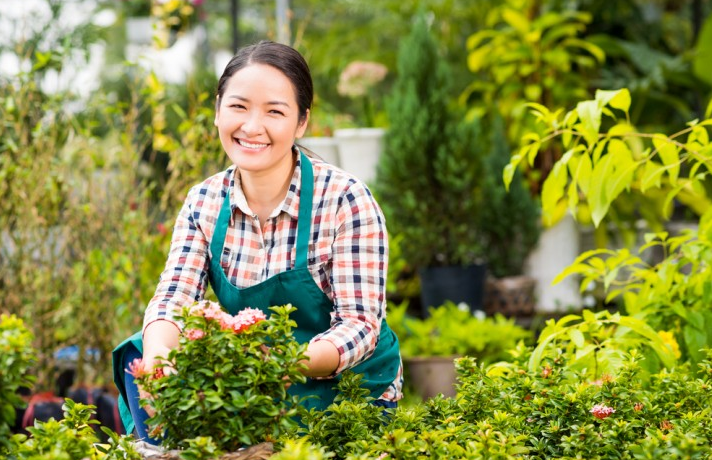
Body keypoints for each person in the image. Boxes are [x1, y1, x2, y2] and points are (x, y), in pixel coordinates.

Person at [112, 40, 403, 444]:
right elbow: (173, 298)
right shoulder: (205, 202)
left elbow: (360, 326)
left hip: (343, 388)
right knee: (138, 350)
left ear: (301, 122)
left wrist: (279, 364)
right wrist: (160, 360)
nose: (251, 126)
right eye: (238, 106)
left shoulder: (344, 199)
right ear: (217, 110)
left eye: (274, 112)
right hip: (255, 386)